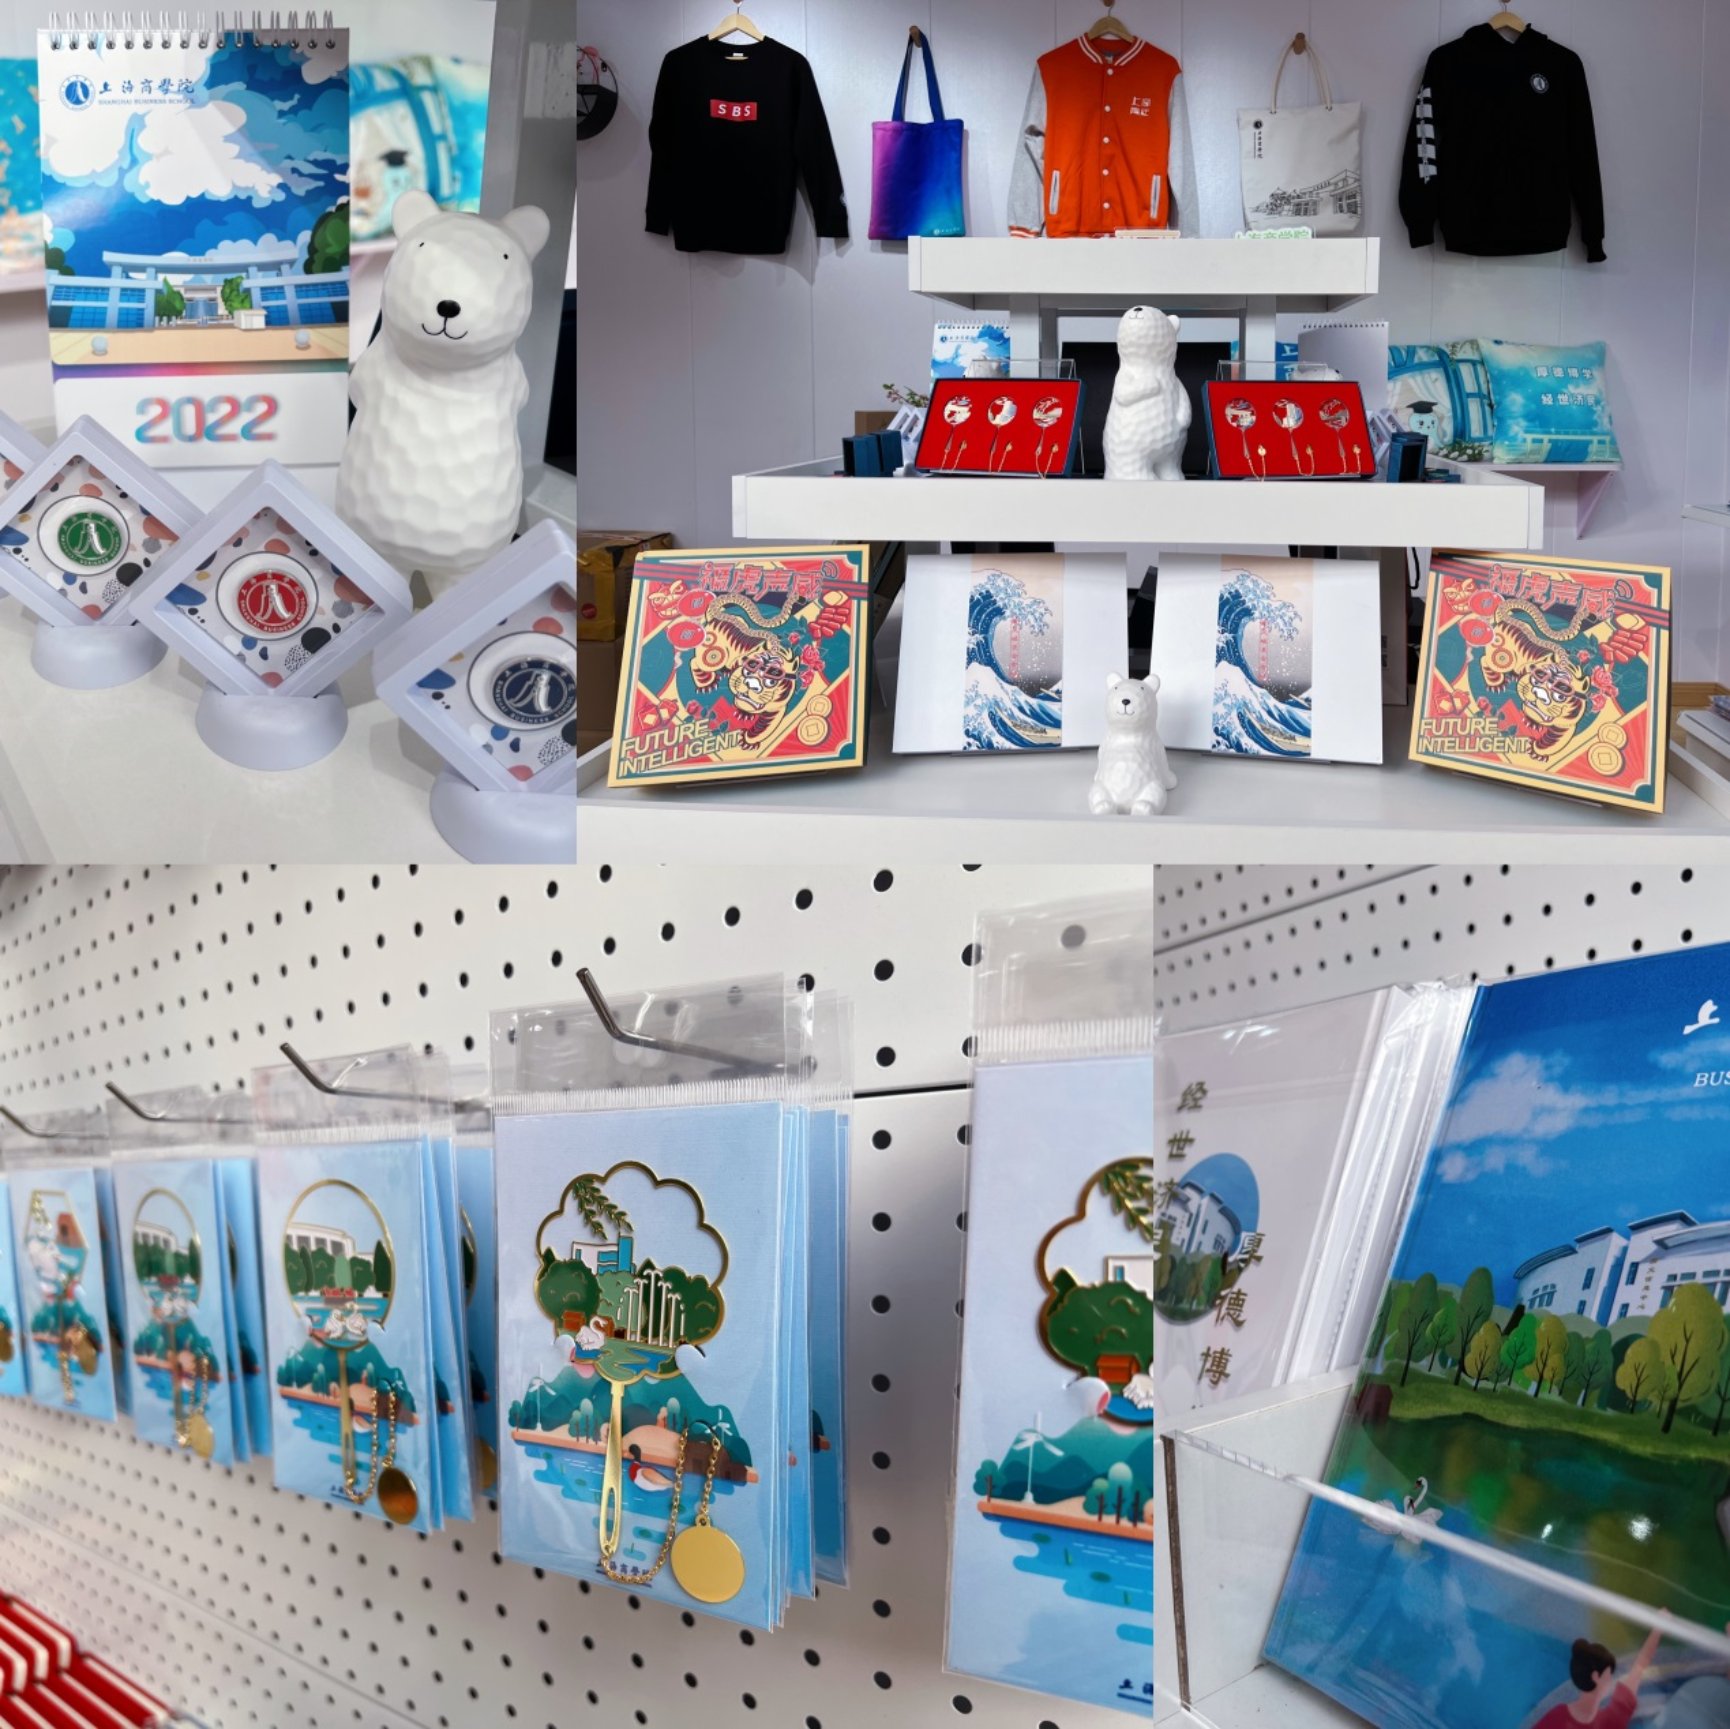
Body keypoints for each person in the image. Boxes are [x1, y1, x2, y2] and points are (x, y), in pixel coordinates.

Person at [1531, 1624, 1664, 1727]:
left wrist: (1657, 1630)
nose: (1611, 1680)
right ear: (1596, 1676)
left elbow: (1640, 1666)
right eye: (1608, 1675)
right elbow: (1640, 1666)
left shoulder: (1610, 1719)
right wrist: (1657, 1629)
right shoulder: (1610, 1720)